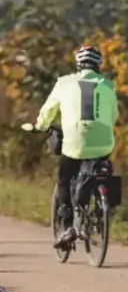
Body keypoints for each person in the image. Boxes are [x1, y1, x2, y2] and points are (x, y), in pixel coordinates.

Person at [35, 45, 119, 248]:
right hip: (103, 141)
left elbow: (47, 112)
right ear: (99, 64)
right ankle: (104, 211)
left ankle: (67, 226)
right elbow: (114, 115)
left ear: (78, 64)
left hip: (73, 141)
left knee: (65, 179)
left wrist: (40, 126)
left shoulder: (64, 84)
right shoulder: (108, 86)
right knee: (104, 169)